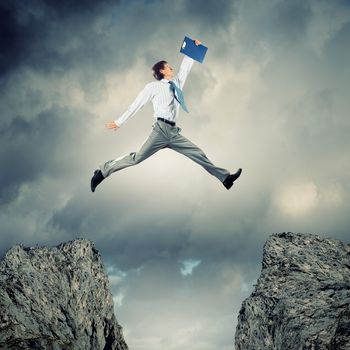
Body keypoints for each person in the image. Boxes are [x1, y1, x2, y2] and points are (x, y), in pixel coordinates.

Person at [91, 39, 242, 192]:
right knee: (137, 158)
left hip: (173, 133)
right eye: (169, 67)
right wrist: (119, 122)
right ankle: (102, 171)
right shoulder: (153, 87)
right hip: (160, 130)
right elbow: (136, 104)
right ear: (162, 70)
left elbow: (185, 70)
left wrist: (192, 50)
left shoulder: (176, 84)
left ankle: (225, 178)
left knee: (198, 154)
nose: (172, 68)